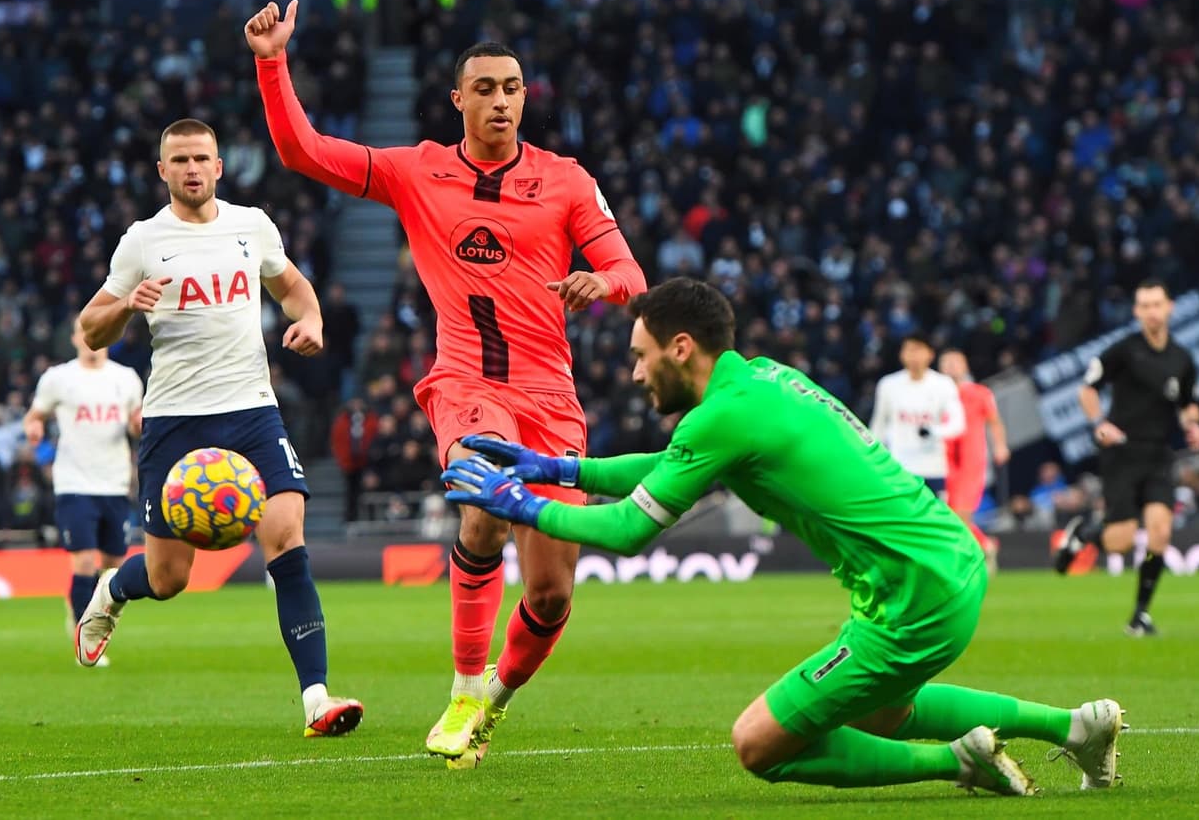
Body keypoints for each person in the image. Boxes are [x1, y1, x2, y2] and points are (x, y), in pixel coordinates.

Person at [443, 278, 1126, 797]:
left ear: (681, 348)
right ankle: (1078, 725)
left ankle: (959, 760)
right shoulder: (762, 380)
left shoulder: (722, 419)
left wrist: (519, 504)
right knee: (890, 710)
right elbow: (667, 463)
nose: (635, 372)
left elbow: (626, 530)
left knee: (758, 744)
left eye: (640, 356)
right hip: (949, 559)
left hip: (910, 595)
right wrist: (558, 467)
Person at [245, 0, 647, 767]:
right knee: (482, 506)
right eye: (485, 88)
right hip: (466, 382)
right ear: (457, 98)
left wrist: (604, 284)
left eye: (513, 87)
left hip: (550, 397)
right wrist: (273, 62)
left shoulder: (565, 181)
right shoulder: (416, 170)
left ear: (527, 97)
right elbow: (305, 152)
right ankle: (464, 682)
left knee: (553, 590)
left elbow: (632, 270)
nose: (501, 100)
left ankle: (488, 703)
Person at [75, 118, 363, 737]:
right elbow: (91, 327)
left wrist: (311, 320)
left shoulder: (250, 225)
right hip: (175, 419)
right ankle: (112, 592)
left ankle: (316, 698)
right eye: (178, 160)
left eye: (201, 158)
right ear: (162, 170)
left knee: (286, 538)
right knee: (168, 578)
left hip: (251, 410)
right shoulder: (143, 240)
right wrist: (127, 304)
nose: (191, 169)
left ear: (220, 165)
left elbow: (291, 287)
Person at [1054, 278, 1199, 636]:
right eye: (1144, 306)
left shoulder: (1182, 358)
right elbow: (1087, 388)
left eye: (1157, 304)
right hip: (1121, 453)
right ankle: (1086, 532)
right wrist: (1097, 422)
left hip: (1158, 455)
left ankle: (1140, 614)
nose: (1152, 312)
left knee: (1160, 532)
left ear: (1169, 307)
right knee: (1121, 540)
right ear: (1136, 312)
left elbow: (1187, 404)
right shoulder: (1123, 350)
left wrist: (1193, 425)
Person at [23, 316, 144, 663]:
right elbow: (35, 416)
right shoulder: (58, 378)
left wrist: (137, 425)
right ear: (76, 337)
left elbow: (137, 424)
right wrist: (34, 429)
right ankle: (83, 637)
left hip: (116, 482)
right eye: (84, 331)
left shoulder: (126, 379)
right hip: (74, 482)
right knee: (85, 561)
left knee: (110, 566)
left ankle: (84, 614)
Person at [937, 348, 1009, 572]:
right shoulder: (934, 394)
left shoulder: (980, 393)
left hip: (971, 460)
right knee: (948, 512)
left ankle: (966, 558)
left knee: (961, 511)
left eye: (955, 362)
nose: (950, 366)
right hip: (941, 460)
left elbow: (995, 422)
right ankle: (984, 545)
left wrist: (1000, 445)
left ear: (965, 366)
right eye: (946, 362)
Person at [869, 334, 966, 497]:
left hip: (933, 467)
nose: (913, 355)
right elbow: (878, 425)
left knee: (936, 520)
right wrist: (873, 459)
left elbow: (958, 423)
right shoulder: (888, 384)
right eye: (909, 350)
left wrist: (934, 431)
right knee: (900, 520)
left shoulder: (943, 384)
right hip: (900, 467)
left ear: (930, 354)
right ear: (901, 354)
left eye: (918, 350)